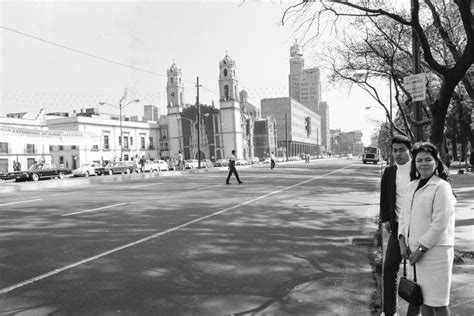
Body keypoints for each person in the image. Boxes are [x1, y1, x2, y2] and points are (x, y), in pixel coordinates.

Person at [398, 142, 456, 316]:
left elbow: (440, 222)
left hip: (435, 254)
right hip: (413, 253)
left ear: (436, 162)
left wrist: (422, 249)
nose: (424, 163)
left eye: (428, 159)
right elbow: (403, 216)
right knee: (423, 300)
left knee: (438, 302)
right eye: (419, 160)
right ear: (414, 163)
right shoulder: (411, 186)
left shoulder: (442, 187)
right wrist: (402, 242)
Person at [379, 135, 420, 316]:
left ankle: (414, 312)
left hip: (418, 227)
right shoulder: (389, 172)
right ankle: (389, 312)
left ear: (409, 150)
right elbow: (384, 197)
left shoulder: (418, 168)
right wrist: (386, 218)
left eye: (402, 149)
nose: (398, 154)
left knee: (417, 274)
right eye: (394, 150)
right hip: (397, 227)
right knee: (389, 270)